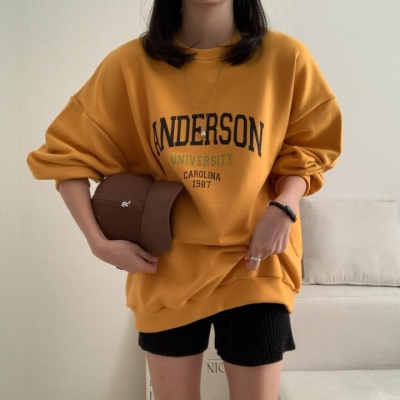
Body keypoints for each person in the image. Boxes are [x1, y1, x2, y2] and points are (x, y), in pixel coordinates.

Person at [27, 0, 342, 399]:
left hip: (255, 263)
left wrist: (285, 206)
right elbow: (65, 154)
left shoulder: (285, 58)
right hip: (165, 269)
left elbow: (310, 147)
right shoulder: (130, 66)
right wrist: (98, 243)